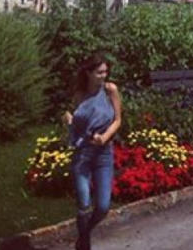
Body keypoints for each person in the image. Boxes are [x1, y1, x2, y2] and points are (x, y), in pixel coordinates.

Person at [63, 53, 122, 250]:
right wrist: (69, 120)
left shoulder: (110, 90)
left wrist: (104, 137)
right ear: (88, 73)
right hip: (83, 152)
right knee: (83, 200)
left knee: (103, 206)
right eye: (99, 72)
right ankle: (85, 245)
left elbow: (118, 120)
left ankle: (83, 235)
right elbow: (73, 119)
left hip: (104, 153)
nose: (103, 76)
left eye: (105, 72)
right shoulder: (79, 95)